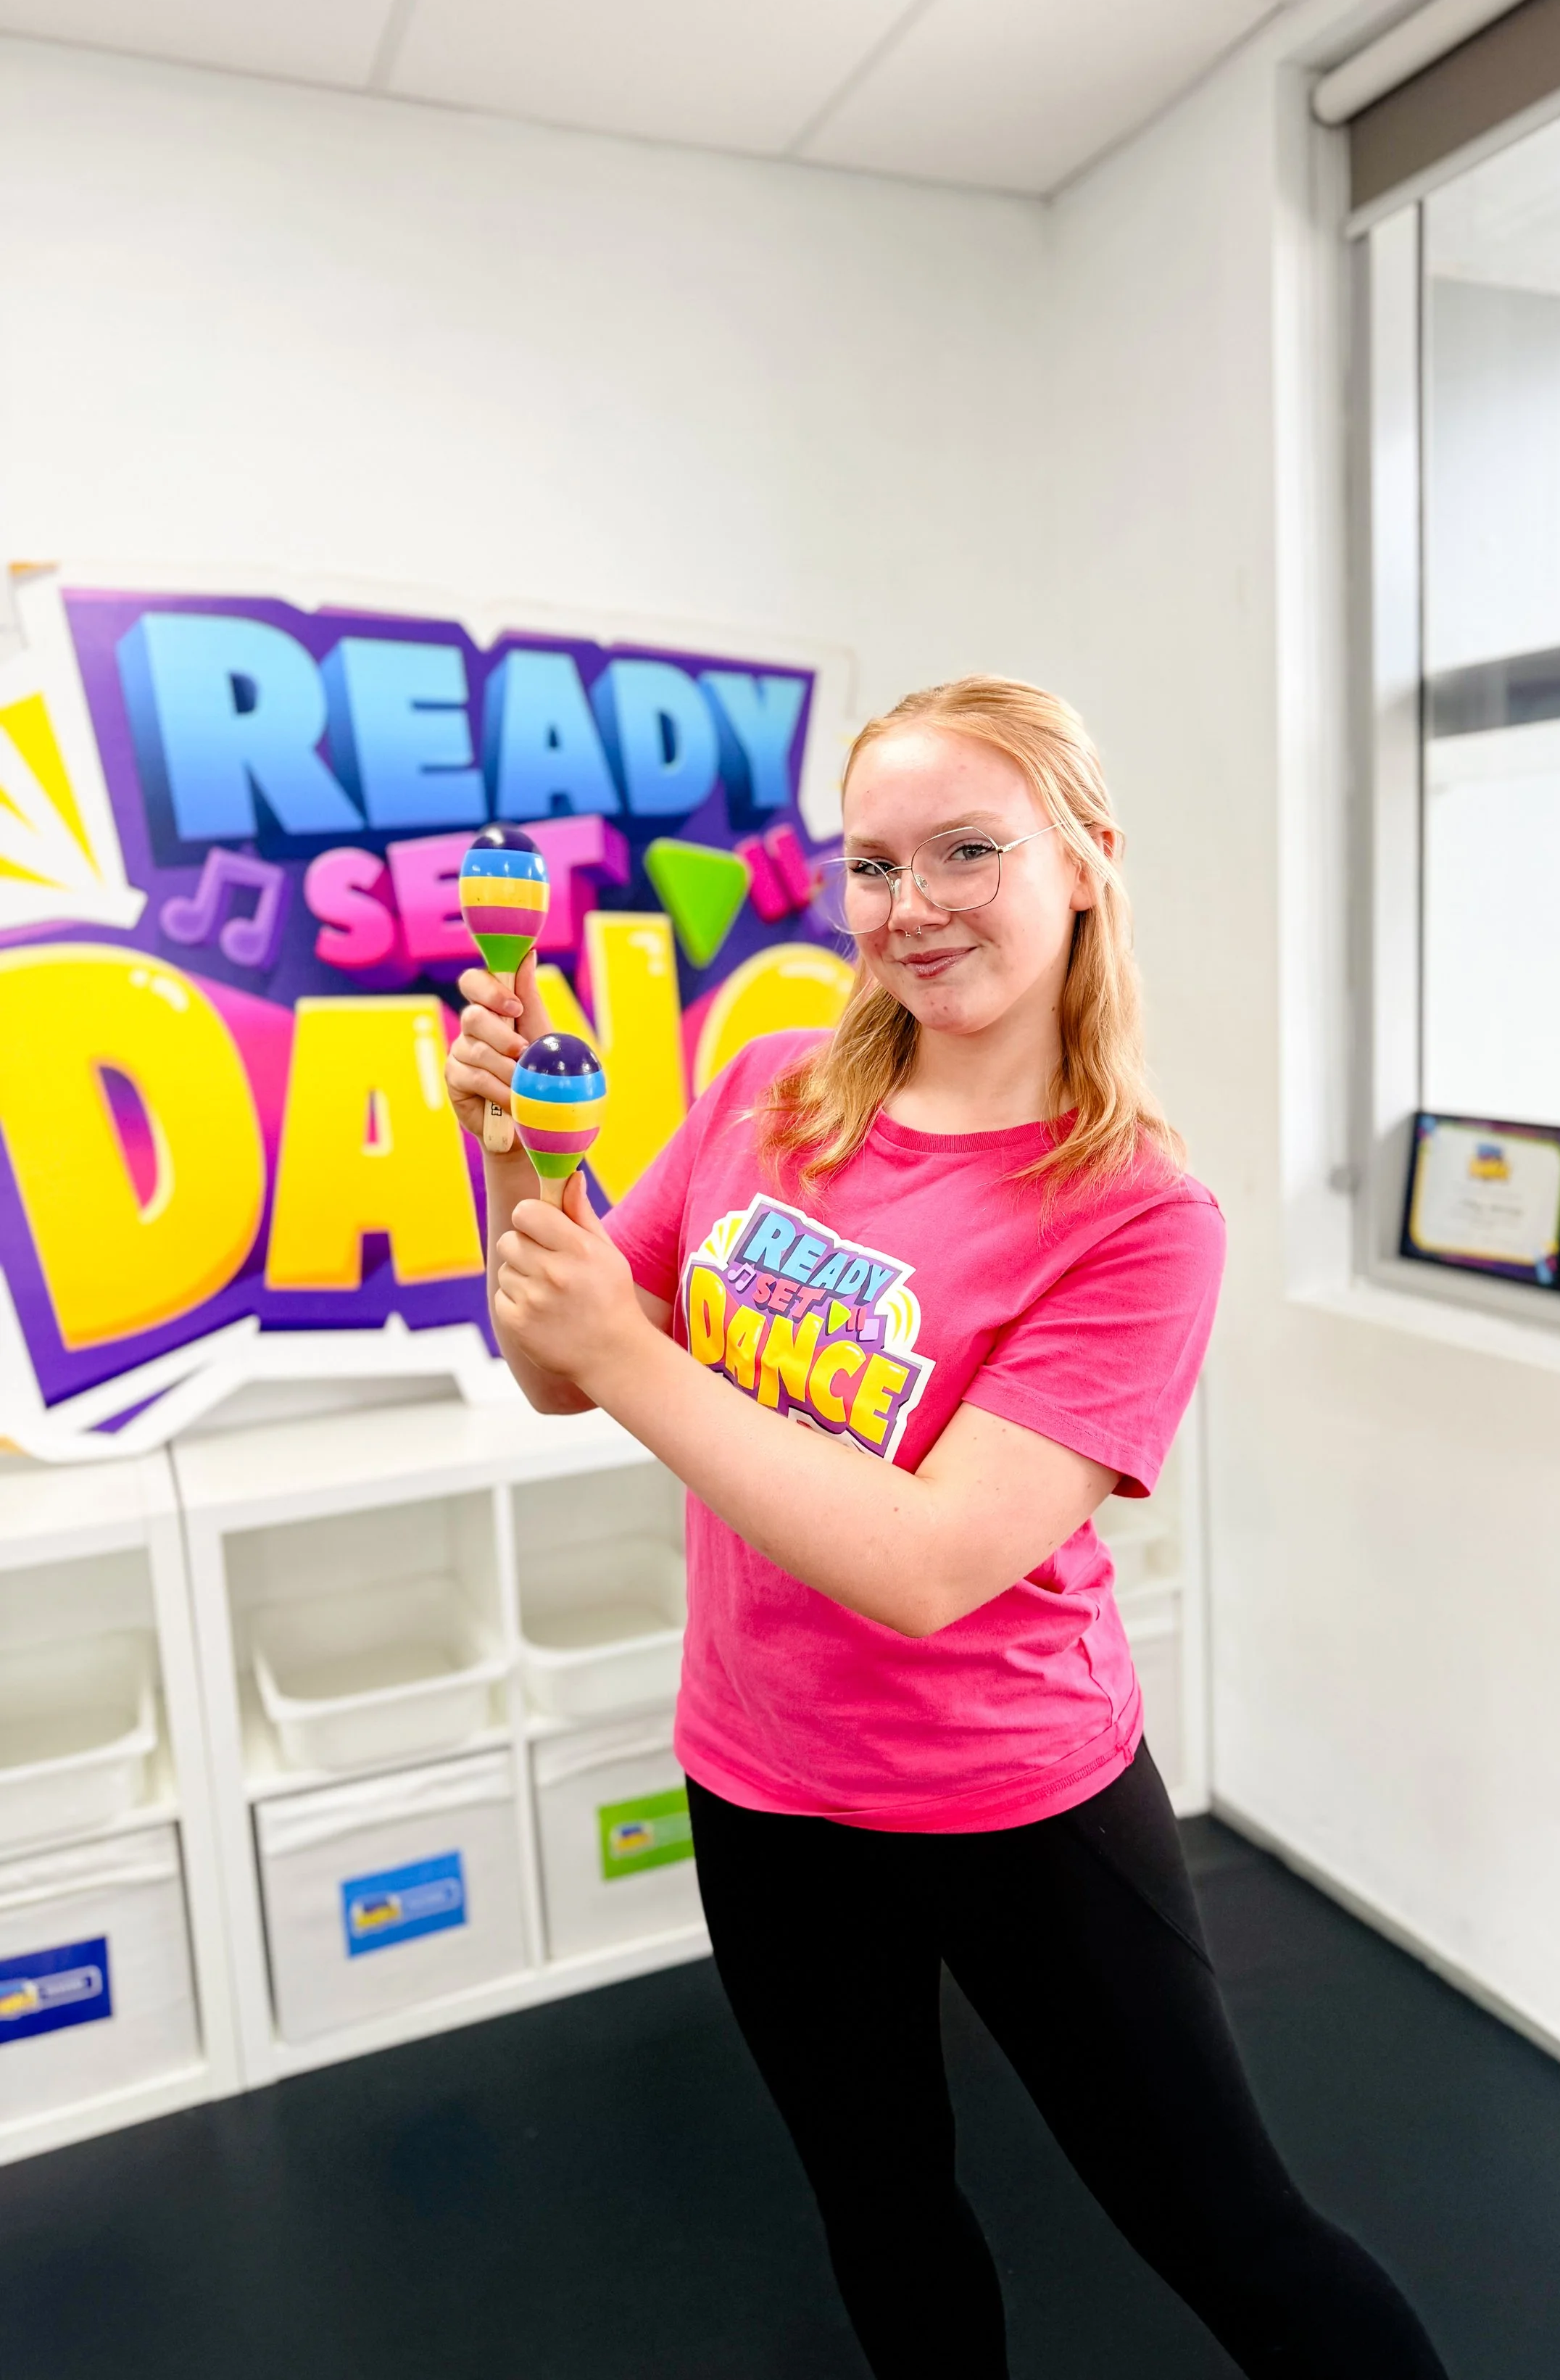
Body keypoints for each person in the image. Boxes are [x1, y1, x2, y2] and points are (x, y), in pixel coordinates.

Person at [447, 678, 1447, 2379]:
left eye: (966, 850)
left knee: (1225, 2229)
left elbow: (926, 1562)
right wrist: (512, 1161)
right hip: (762, 1778)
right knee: (879, 2202)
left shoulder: (1136, 1212)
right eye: (873, 865)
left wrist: (627, 1348)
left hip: (1014, 1791)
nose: (911, 910)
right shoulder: (769, 1090)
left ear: (1082, 859)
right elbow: (551, 1371)